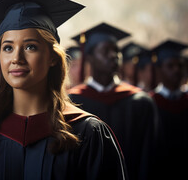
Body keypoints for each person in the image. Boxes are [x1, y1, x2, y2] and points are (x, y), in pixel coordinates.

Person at [0, 0, 127, 179]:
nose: (16, 59)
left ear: (53, 58)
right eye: (8, 48)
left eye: (30, 47)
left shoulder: (87, 133)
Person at [68, 22, 159, 180]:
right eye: (106, 51)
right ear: (89, 57)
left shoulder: (140, 101)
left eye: (116, 51)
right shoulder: (73, 101)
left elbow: (149, 155)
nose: (114, 56)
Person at [149, 40, 188, 179]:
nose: (176, 70)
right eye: (170, 66)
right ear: (159, 70)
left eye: (180, 65)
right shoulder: (150, 102)